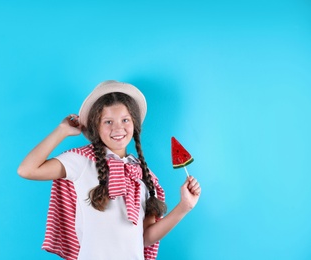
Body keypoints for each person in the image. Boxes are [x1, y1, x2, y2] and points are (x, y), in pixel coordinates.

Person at [17, 80, 201, 260]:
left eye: (125, 120)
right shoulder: (80, 161)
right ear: (96, 127)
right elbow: (27, 170)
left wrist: (184, 206)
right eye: (108, 122)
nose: (118, 128)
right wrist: (62, 130)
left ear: (134, 124)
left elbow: (145, 238)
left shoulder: (144, 175)